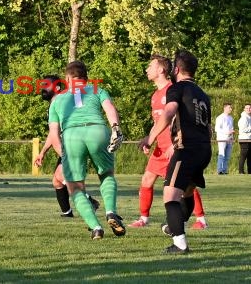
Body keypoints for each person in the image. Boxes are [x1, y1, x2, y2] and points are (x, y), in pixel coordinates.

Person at [35, 61, 125, 240]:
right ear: (86, 77)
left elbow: (54, 133)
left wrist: (64, 153)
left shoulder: (58, 99)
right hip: (97, 130)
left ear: (68, 78)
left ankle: (96, 227)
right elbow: (110, 109)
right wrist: (115, 127)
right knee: (106, 174)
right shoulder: (97, 89)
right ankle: (110, 212)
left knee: (75, 187)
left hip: (71, 135)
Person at [139, 50, 212, 254]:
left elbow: (169, 112)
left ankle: (180, 244)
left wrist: (150, 138)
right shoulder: (203, 94)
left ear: (177, 69)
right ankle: (174, 226)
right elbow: (208, 127)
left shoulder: (176, 89)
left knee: (170, 197)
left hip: (186, 149)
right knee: (187, 192)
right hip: (204, 149)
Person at [35, 75, 100, 218]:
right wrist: (43, 152)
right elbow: (53, 134)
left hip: (72, 143)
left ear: (57, 88)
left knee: (62, 176)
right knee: (57, 181)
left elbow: (56, 133)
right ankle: (67, 212)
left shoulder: (59, 102)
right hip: (67, 144)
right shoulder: (57, 103)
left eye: (46, 85)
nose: (42, 88)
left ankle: (90, 202)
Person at [215, 103, 235, 174]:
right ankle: (219, 170)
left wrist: (232, 137)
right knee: (222, 154)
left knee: (227, 156)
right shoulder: (220, 117)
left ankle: (225, 170)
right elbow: (217, 129)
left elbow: (231, 128)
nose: (231, 109)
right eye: (229, 108)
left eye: (231, 108)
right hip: (222, 139)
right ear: (225, 108)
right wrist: (227, 132)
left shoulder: (231, 118)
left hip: (229, 139)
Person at [238, 104, 251, 174]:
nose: (249, 109)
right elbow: (243, 129)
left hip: (249, 139)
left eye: (250, 108)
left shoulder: (249, 117)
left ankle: (250, 171)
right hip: (244, 139)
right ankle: (241, 171)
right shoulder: (244, 118)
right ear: (244, 109)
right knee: (243, 156)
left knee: (250, 157)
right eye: (247, 108)